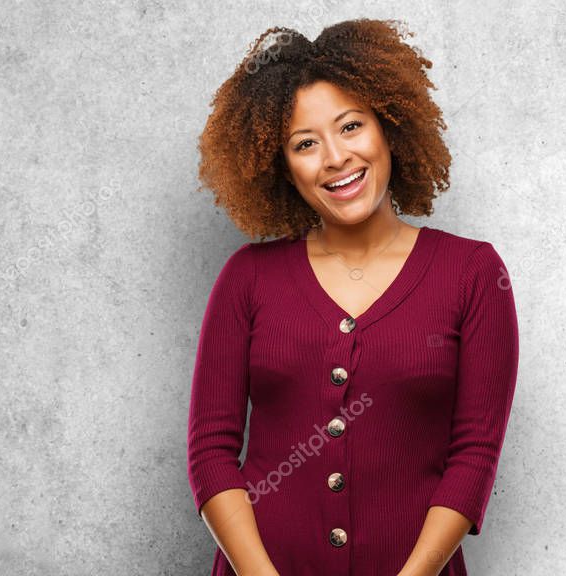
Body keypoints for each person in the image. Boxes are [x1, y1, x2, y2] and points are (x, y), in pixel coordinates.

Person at [186, 18, 520, 576]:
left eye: (351, 126)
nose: (336, 158)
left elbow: (474, 456)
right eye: (305, 143)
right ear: (282, 167)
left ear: (389, 127)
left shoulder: (473, 274)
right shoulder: (246, 279)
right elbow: (212, 453)